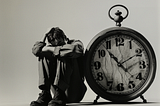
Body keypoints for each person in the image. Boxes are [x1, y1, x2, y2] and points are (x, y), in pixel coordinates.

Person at [30, 27, 87, 106]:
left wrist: (51, 49)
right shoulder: (51, 45)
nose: (58, 46)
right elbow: (35, 51)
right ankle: (45, 93)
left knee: (64, 53)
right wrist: (44, 35)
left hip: (74, 91)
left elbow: (75, 50)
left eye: (60, 42)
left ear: (65, 37)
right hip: (56, 97)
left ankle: (60, 92)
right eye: (54, 45)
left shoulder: (75, 43)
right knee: (44, 55)